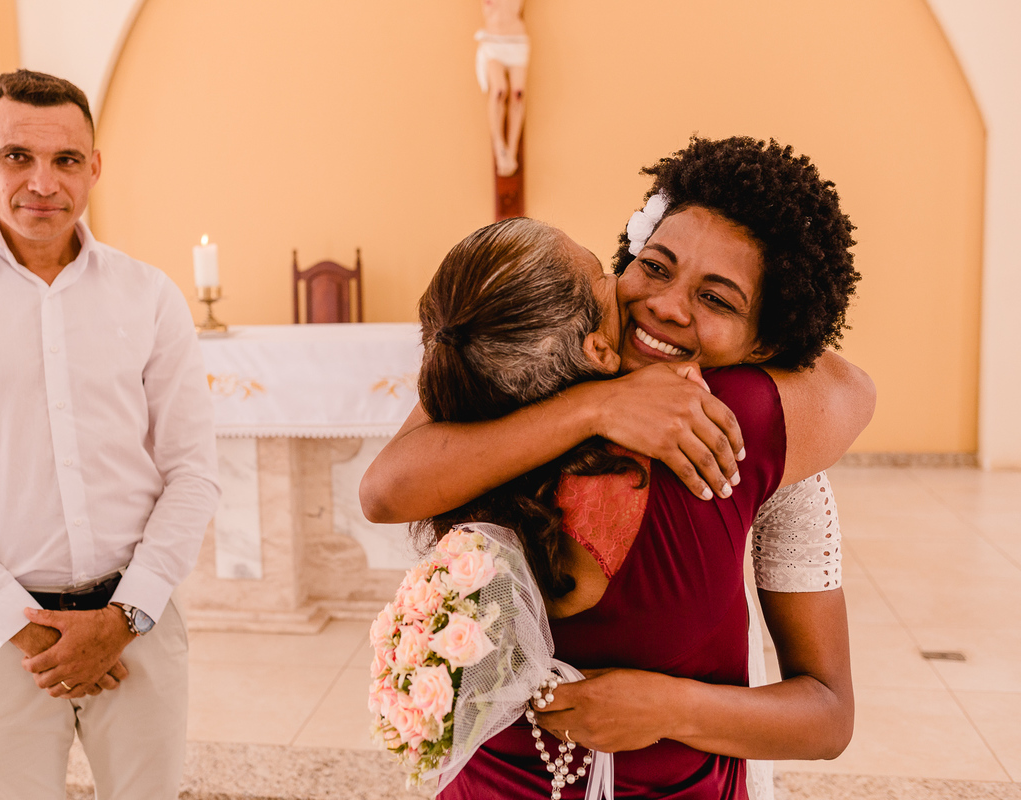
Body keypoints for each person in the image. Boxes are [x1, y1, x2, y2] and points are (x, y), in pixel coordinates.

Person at [362, 137, 870, 794]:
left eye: (717, 298)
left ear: (768, 344)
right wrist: (597, 408)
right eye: (654, 266)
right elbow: (383, 489)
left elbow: (827, 718)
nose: (664, 304)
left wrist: (668, 707)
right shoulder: (522, 375)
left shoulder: (735, 423)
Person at [0, 70, 220, 800]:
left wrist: (124, 618)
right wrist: (20, 626)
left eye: (64, 161)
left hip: (138, 628)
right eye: (17, 157)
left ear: (94, 166)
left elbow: (192, 471)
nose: (42, 183)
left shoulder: (149, 297)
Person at [476, 0, 528, 177]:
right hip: (493, 42)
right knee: (498, 90)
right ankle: (499, 147)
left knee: (518, 94)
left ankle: (512, 151)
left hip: (517, 41)